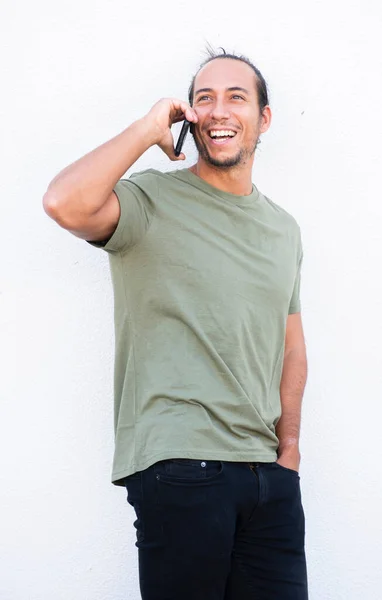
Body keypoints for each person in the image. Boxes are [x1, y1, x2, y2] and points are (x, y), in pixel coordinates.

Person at [43, 48, 308, 600]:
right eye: (204, 98)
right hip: (182, 465)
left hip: (267, 476)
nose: (218, 110)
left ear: (264, 117)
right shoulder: (149, 199)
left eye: (237, 96)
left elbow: (291, 347)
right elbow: (63, 202)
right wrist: (146, 129)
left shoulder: (283, 229)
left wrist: (290, 452)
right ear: (189, 115)